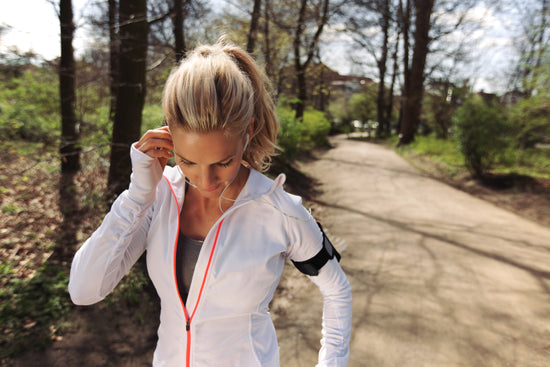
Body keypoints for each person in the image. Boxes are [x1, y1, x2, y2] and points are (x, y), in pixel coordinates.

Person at [68, 39, 352, 367]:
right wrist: (137, 196)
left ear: (249, 131)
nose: (205, 182)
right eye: (188, 162)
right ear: (168, 136)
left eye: (222, 162)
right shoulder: (157, 197)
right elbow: (84, 290)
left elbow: (337, 291)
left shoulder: (281, 211)